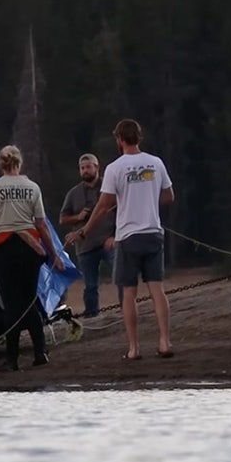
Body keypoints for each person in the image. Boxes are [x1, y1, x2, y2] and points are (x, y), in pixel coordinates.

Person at [65, 119, 174, 360]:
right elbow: (168, 196)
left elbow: (103, 206)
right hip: (153, 234)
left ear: (119, 140)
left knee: (128, 294)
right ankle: (165, 342)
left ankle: (134, 348)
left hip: (127, 237)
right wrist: (145, 198)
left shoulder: (115, 168)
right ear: (139, 137)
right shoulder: (156, 163)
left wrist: (84, 231)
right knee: (157, 290)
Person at [0, 145, 65, 372]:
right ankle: (40, 352)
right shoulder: (32, 187)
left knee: (11, 305)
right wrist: (54, 255)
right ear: (20, 163)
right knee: (29, 301)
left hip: (4, 250)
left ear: (1, 164)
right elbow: (41, 225)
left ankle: (12, 359)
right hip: (30, 249)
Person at [59, 153, 122, 318]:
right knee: (90, 286)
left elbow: (122, 212)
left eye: (88, 167)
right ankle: (92, 318)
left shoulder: (109, 188)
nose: (85, 170)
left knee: (121, 276)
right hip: (86, 246)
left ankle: (126, 309)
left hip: (110, 241)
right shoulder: (73, 193)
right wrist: (78, 217)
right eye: (82, 168)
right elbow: (63, 219)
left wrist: (115, 236)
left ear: (97, 167)